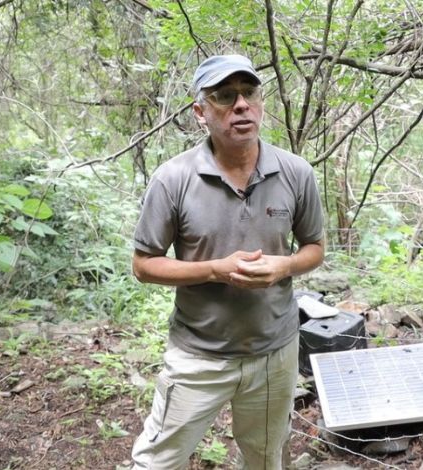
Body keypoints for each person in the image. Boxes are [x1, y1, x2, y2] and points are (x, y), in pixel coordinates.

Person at [129, 54, 325, 470]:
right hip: (199, 354)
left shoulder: (296, 172)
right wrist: (215, 270)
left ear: (261, 101)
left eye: (249, 92)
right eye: (224, 95)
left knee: (265, 457)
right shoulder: (173, 178)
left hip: (275, 352)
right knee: (157, 461)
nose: (241, 105)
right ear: (200, 111)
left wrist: (284, 266)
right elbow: (144, 264)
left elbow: (314, 248)